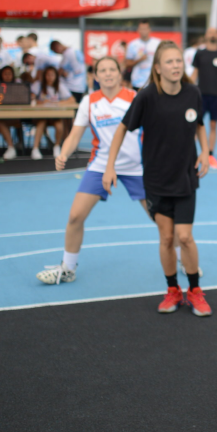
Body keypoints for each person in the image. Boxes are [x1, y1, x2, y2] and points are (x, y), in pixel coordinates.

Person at [103, 41, 212, 316]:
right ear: (157, 68)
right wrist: (109, 166)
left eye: (179, 61)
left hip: (185, 177)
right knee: (166, 238)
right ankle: (173, 290)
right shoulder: (147, 97)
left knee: (184, 237)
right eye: (170, 62)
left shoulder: (193, 93)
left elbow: (199, 124)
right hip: (156, 180)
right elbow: (121, 130)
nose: (176, 66)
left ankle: (195, 291)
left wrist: (205, 152)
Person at [36, 56, 149, 284]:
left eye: (112, 69)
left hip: (135, 167)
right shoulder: (89, 102)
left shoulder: (135, 98)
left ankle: (182, 258)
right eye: (102, 70)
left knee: (160, 217)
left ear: (120, 74)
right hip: (99, 166)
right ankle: (67, 268)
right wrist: (63, 153)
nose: (107, 74)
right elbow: (75, 134)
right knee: (76, 216)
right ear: (95, 77)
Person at [190, 28, 217, 170]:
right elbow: (194, 73)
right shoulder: (200, 54)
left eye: (215, 32)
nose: (213, 35)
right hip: (200, 95)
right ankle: (193, 154)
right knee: (197, 125)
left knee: (213, 125)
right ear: (206, 35)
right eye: (210, 32)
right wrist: (187, 89)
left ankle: (210, 154)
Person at [30, 65, 76, 160]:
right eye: (48, 75)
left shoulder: (59, 86)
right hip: (40, 116)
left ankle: (57, 146)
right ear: (44, 76)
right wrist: (40, 102)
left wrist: (56, 102)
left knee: (59, 126)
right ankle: (35, 148)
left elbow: (72, 100)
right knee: (41, 123)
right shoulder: (38, 85)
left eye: (52, 75)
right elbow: (30, 97)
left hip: (55, 116)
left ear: (56, 76)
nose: (50, 77)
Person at [0, 65, 24, 159]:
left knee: (2, 121)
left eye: (9, 74)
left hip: (16, 116)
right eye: (5, 74)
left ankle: (13, 146)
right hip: (1, 115)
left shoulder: (18, 84)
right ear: (1, 75)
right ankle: (10, 147)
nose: (7, 76)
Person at [126, 21, 161, 89]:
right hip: (138, 83)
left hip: (154, 81)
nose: (144, 31)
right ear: (138, 30)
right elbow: (127, 64)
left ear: (149, 29)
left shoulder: (157, 43)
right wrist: (140, 59)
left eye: (145, 28)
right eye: (141, 29)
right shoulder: (133, 44)